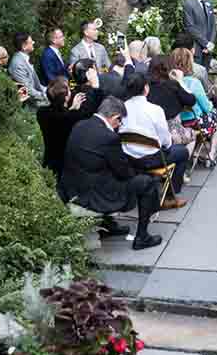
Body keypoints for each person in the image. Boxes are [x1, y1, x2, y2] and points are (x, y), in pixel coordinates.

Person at [61, 95, 161, 250]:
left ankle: (108, 226)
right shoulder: (109, 137)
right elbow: (124, 172)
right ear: (115, 117)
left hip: (72, 188)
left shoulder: (79, 124)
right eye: (120, 121)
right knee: (147, 182)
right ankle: (142, 237)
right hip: (94, 195)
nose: (119, 125)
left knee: (115, 175)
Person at [121, 73, 189, 208]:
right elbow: (166, 141)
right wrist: (167, 146)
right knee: (183, 152)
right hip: (151, 159)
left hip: (129, 158)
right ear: (146, 88)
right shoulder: (155, 110)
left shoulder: (122, 107)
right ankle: (170, 196)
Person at [170, 46, 217, 165]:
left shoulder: (167, 82)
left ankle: (197, 151)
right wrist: (210, 104)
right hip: (192, 122)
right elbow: (207, 108)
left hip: (175, 123)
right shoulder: (194, 83)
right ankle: (211, 154)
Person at [36, 76, 89, 178]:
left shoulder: (41, 112)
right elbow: (65, 120)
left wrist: (71, 109)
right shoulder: (71, 118)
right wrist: (74, 110)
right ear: (66, 97)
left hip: (49, 158)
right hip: (64, 163)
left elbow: (59, 118)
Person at [145, 56, 197, 147]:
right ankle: (187, 158)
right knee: (193, 135)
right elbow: (191, 101)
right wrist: (180, 81)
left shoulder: (145, 86)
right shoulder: (173, 85)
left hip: (150, 131)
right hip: (171, 132)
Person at [182, 0, 217, 64]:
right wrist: (206, 43)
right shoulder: (189, 4)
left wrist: (211, 44)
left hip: (208, 51)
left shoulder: (209, 4)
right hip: (196, 50)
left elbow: (213, 26)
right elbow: (190, 27)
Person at [8, 32, 48, 106]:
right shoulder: (17, 64)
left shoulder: (23, 58)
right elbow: (27, 90)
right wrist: (46, 96)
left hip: (37, 98)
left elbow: (36, 85)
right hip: (30, 104)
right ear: (24, 46)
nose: (33, 42)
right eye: (31, 41)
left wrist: (49, 91)